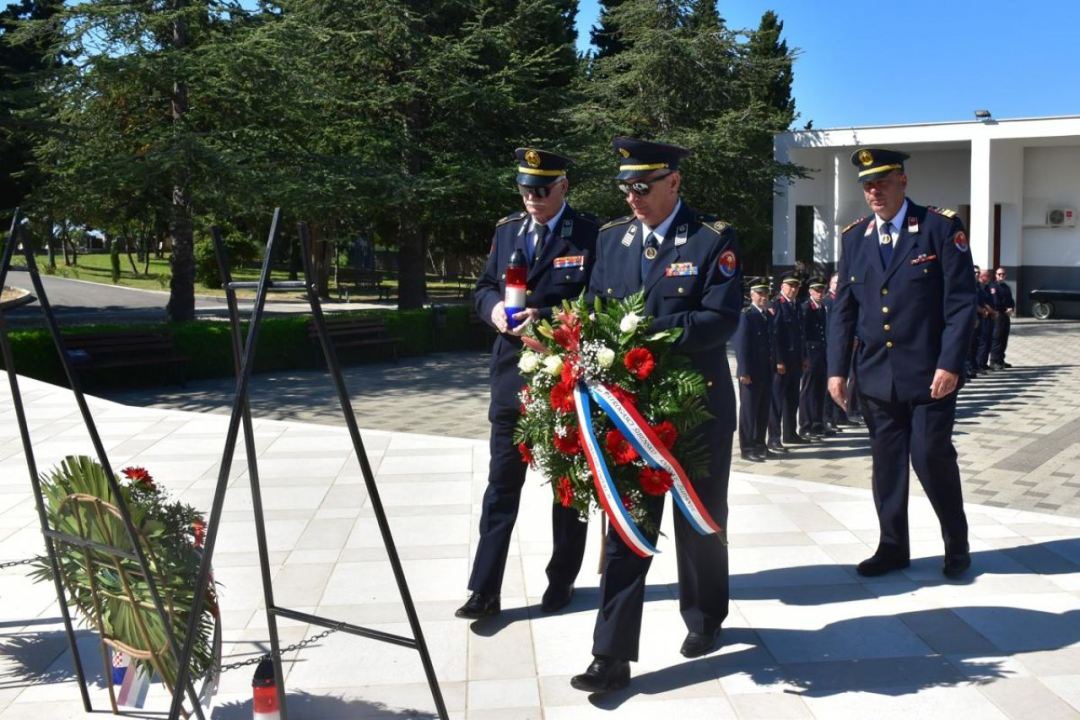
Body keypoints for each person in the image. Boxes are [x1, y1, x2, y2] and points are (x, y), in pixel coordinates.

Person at [572, 137, 741, 693]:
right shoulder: (612, 240)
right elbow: (593, 311)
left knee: (699, 523)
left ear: (674, 182)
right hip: (630, 414)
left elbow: (720, 319)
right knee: (627, 526)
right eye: (626, 187)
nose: (633, 197)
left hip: (696, 411)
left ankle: (705, 616)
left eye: (643, 186)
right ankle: (610, 655)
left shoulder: (712, 238)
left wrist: (644, 334)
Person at [460, 148, 599, 620]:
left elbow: (600, 301)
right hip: (511, 374)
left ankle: (561, 580)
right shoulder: (508, 231)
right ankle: (484, 589)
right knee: (501, 484)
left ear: (563, 187)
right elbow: (483, 287)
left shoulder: (590, 234)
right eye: (525, 191)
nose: (532, 199)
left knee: (568, 485)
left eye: (541, 191)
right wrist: (494, 310)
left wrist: (547, 316)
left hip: (563, 375)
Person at [828, 147, 976, 580]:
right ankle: (892, 547)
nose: (874, 192)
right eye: (867, 186)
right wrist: (837, 369)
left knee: (930, 455)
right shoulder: (854, 237)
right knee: (887, 463)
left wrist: (950, 363)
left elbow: (961, 303)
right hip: (876, 373)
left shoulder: (939, 227)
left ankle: (956, 542)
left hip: (930, 374)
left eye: (882, 182)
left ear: (903, 181)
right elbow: (844, 310)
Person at [735, 279, 774, 462]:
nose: (763, 297)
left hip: (766, 370)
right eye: (760, 294)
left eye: (766, 293)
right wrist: (744, 371)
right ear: (751, 295)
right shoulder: (747, 315)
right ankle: (747, 448)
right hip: (751, 373)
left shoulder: (767, 315)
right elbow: (741, 345)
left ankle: (760, 444)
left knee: (763, 410)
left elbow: (771, 343)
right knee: (749, 412)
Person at [767, 275, 804, 453]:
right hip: (782, 362)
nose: (793, 289)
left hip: (795, 360)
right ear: (782, 287)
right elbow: (774, 336)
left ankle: (790, 433)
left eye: (796, 286)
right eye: (790, 286)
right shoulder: (777, 305)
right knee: (776, 401)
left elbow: (801, 334)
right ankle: (774, 438)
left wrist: (804, 357)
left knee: (792, 398)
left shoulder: (797, 305)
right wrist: (779, 360)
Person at [799, 277, 829, 439]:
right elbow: (803, 334)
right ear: (810, 291)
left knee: (820, 389)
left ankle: (818, 423)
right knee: (808, 390)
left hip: (821, 354)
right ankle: (805, 425)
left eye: (822, 290)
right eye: (817, 290)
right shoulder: (806, 307)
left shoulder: (821, 307)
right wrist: (804, 356)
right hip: (811, 355)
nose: (820, 293)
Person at [821, 273, 848, 431]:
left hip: (838, 346)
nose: (838, 285)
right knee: (829, 386)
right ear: (830, 284)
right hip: (830, 347)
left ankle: (838, 416)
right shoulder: (828, 301)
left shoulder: (839, 299)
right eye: (835, 282)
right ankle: (828, 418)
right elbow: (829, 327)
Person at [990, 267, 1015, 369]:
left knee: (1004, 338)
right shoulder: (994, 287)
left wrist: (1011, 308)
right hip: (998, 314)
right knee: (997, 338)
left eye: (1003, 274)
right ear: (996, 275)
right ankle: (994, 361)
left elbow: (1011, 300)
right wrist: (1005, 309)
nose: (1001, 276)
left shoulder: (1006, 287)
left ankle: (1001, 360)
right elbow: (996, 302)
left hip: (1006, 315)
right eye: (999, 274)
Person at [975, 268, 998, 372]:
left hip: (989, 316)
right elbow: (983, 303)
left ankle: (983, 363)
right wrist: (991, 311)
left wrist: (994, 312)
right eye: (986, 276)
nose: (988, 278)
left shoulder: (987, 287)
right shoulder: (979, 287)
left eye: (989, 275)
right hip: (983, 316)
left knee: (988, 340)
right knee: (982, 341)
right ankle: (979, 364)